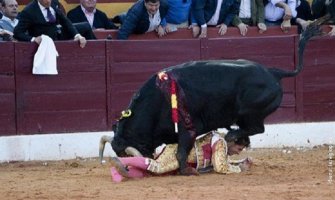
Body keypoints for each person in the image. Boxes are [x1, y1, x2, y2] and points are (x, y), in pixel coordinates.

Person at [109, 130, 252, 182]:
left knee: (150, 174)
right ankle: (122, 160)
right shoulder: (220, 143)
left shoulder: (221, 146)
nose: (238, 152)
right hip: (177, 154)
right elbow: (220, 167)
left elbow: (223, 162)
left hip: (180, 162)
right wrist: (240, 169)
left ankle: (118, 173)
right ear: (232, 141)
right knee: (157, 168)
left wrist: (239, 163)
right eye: (239, 148)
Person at [13, 0, 87, 48]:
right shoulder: (29, 11)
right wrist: (33, 39)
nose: (48, 1)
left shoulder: (54, 2)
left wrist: (77, 35)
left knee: (85, 26)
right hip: (44, 42)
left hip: (58, 34)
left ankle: (95, 52)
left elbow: (64, 21)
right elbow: (17, 32)